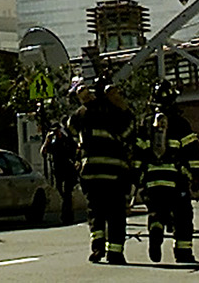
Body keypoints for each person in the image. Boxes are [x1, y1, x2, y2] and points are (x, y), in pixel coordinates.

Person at [133, 82, 199, 263]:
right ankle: (183, 252)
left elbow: (138, 151)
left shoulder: (146, 123)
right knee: (183, 215)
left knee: (156, 211)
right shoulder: (180, 124)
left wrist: (137, 175)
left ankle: (156, 231)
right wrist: (196, 175)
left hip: (152, 180)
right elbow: (192, 152)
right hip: (176, 178)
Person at [73, 77, 134, 265]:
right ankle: (115, 252)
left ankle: (98, 247)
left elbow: (72, 128)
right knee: (115, 213)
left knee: (95, 212)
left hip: (90, 170)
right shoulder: (117, 113)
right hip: (114, 172)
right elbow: (129, 133)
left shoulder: (83, 112)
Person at [41, 118, 81, 223]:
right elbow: (43, 153)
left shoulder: (67, 140)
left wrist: (77, 162)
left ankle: (67, 216)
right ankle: (68, 212)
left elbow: (76, 151)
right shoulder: (53, 142)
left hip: (68, 169)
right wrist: (47, 140)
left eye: (57, 130)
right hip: (58, 170)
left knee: (67, 192)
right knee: (62, 192)